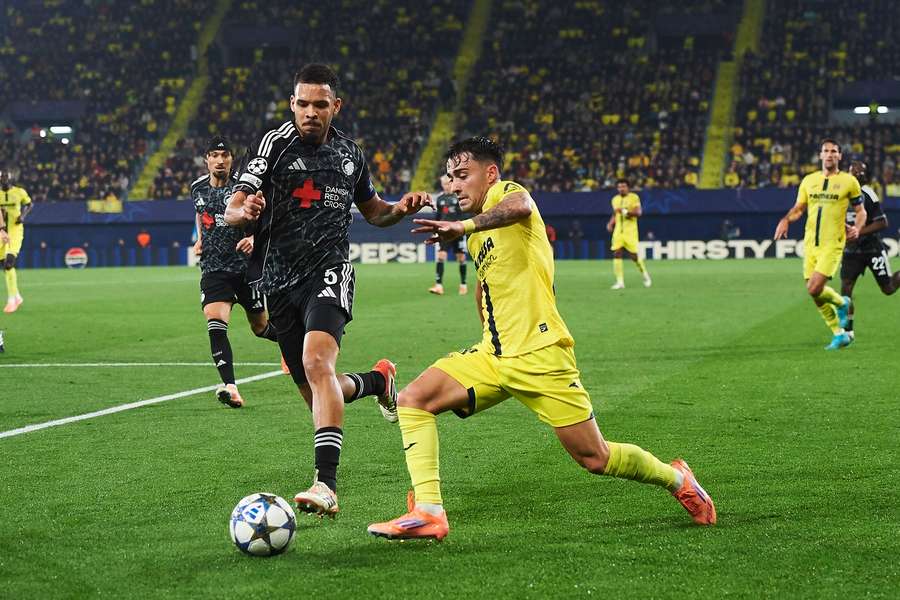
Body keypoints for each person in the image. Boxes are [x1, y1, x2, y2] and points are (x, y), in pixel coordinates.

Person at [367, 137, 715, 541]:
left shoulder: (507, 195)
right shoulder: (480, 234)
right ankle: (429, 511)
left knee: (595, 457)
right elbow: (486, 288)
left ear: (491, 173)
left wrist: (462, 226)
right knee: (414, 399)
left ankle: (678, 479)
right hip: (494, 356)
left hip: (540, 355)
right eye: (450, 178)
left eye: (463, 175)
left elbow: (521, 207)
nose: (455, 185)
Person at [225, 63, 432, 516]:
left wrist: (399, 208)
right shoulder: (274, 145)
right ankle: (378, 381)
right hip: (279, 281)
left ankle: (326, 485)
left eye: (320, 104)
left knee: (317, 363)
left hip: (330, 270)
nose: (310, 112)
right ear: (292, 104)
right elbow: (234, 207)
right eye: (302, 103)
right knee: (318, 389)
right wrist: (244, 212)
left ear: (335, 106)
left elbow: (373, 211)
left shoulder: (351, 155)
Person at [192, 136, 280, 408]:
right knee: (215, 323)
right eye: (215, 155)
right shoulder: (196, 188)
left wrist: (254, 240)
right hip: (214, 269)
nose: (220, 160)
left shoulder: (244, 188)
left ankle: (296, 343)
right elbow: (200, 212)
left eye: (225, 155)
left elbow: (267, 217)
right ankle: (231, 386)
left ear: (232, 159)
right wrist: (199, 237)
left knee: (261, 327)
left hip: (246, 269)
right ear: (206, 159)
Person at [774, 139, 866, 350]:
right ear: (820, 155)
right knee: (814, 294)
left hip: (832, 244)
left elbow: (861, 212)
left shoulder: (849, 181)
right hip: (810, 243)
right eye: (826, 151)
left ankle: (843, 304)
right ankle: (839, 334)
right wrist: (786, 219)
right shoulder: (809, 181)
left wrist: (857, 228)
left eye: (834, 151)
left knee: (815, 287)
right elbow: (799, 208)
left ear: (840, 156)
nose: (830, 154)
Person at [840, 160, 900, 339]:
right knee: (846, 290)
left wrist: (857, 232)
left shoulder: (869, 194)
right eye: (854, 171)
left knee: (888, 288)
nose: (857, 174)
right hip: (852, 252)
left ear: (865, 176)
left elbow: (882, 222)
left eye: (860, 172)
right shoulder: (841, 195)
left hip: (872, 248)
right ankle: (848, 330)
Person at [606, 179, 651, 289]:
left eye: (624, 186)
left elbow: (638, 212)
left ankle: (645, 275)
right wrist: (611, 223)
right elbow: (615, 213)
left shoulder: (634, 197)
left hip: (630, 232)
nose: (621, 188)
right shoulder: (615, 199)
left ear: (628, 187)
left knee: (634, 256)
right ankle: (620, 282)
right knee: (617, 253)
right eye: (619, 187)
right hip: (618, 232)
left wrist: (626, 212)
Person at [428, 174, 468, 295]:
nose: (445, 186)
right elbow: (438, 217)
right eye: (443, 184)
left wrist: (464, 227)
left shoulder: (459, 196)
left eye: (447, 184)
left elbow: (465, 214)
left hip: (458, 231)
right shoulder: (440, 199)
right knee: (441, 256)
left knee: (460, 257)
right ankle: (439, 285)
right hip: (444, 232)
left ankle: (463, 284)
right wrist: (435, 232)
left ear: (451, 183)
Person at [0, 168, 32, 313]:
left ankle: (12, 299)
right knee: (4, 265)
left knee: (8, 263)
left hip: (15, 231)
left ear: (11, 178)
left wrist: (23, 216)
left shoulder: (19, 192)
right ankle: (17, 296)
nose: (4, 179)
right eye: (2, 177)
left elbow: (30, 204)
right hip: (1, 232)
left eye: (6, 177)